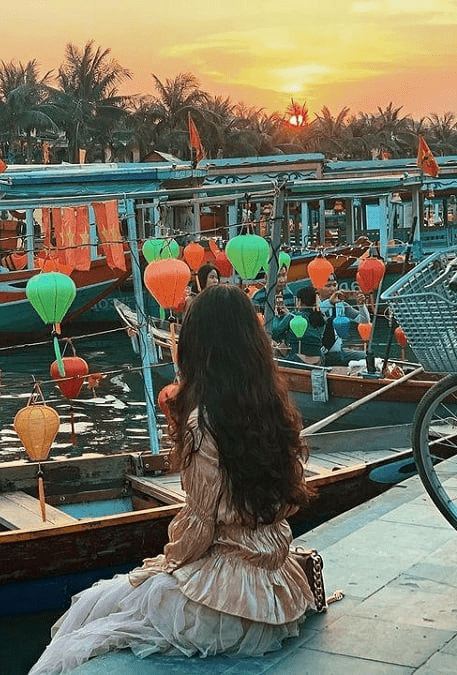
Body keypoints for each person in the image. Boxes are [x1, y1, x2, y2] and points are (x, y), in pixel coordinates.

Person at [29, 284, 316, 674]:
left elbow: (198, 528)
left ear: (199, 348)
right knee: (112, 605)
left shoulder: (204, 422)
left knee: (91, 611)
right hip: (275, 590)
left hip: (225, 603)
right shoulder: (275, 410)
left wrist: (165, 565)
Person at [271, 285, 328, 365]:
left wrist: (276, 317)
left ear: (299, 301)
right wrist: (288, 315)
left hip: (298, 360)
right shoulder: (322, 319)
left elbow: (275, 332)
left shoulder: (293, 316)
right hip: (319, 360)